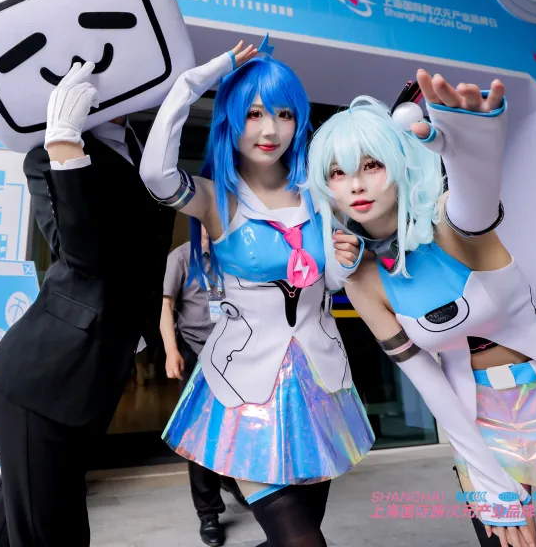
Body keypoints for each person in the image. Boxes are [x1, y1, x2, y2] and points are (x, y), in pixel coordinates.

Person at [307, 72, 536, 547]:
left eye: (371, 165)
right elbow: (431, 385)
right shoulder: (363, 279)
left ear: (399, 162)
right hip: (479, 424)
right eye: (337, 173)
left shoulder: (448, 221)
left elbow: (475, 203)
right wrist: (488, 479)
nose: (356, 184)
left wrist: (474, 149)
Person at [0, 0, 177, 547]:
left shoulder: (137, 139)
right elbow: (84, 258)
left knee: (9, 529)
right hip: (42, 385)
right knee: (52, 536)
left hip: (84, 385)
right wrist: (64, 146)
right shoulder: (46, 158)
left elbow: (146, 246)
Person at [141, 36, 374, 547]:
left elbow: (332, 284)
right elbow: (156, 175)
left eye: (284, 114)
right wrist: (195, 82)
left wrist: (348, 260)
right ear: (229, 118)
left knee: (298, 535)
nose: (271, 130)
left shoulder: (319, 193)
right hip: (244, 389)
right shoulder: (214, 199)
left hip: (319, 386)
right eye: (254, 114)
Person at [161, 229, 250, 545]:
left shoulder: (235, 254)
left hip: (234, 353)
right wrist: (171, 351)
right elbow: (165, 306)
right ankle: (208, 514)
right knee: (199, 436)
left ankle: (230, 477)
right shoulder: (181, 258)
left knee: (237, 427)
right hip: (195, 351)